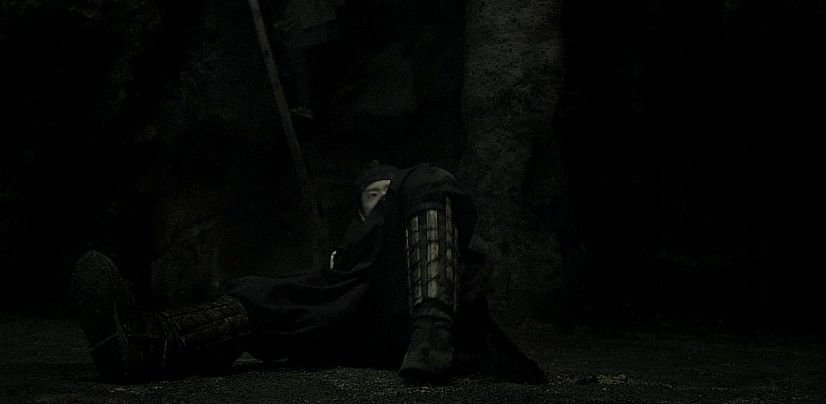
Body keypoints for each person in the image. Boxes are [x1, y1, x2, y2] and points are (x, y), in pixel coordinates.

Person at [71, 163, 545, 384]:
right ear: (357, 214)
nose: (385, 198)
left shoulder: (415, 219)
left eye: (391, 194)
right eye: (374, 195)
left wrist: (409, 189)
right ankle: (140, 345)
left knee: (426, 176)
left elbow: (425, 200)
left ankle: (431, 334)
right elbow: (298, 300)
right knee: (266, 294)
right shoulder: (337, 272)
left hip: (413, 314)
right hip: (355, 326)